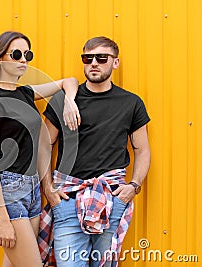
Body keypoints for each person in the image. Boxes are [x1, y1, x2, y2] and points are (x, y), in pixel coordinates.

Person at [38, 36, 151, 267]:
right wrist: (48, 188)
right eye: (87, 58)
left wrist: (134, 186)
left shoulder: (131, 103)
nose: (94, 63)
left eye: (102, 58)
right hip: (68, 198)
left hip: (112, 197)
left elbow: (142, 150)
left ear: (115, 62)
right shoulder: (65, 100)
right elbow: (44, 145)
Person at [0, 31, 80, 266]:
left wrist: (70, 101)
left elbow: (68, 82)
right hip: (8, 190)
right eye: (16, 54)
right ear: (0, 58)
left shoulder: (25, 93)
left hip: (31, 189)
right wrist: (2, 219)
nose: (24, 60)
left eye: (27, 54)